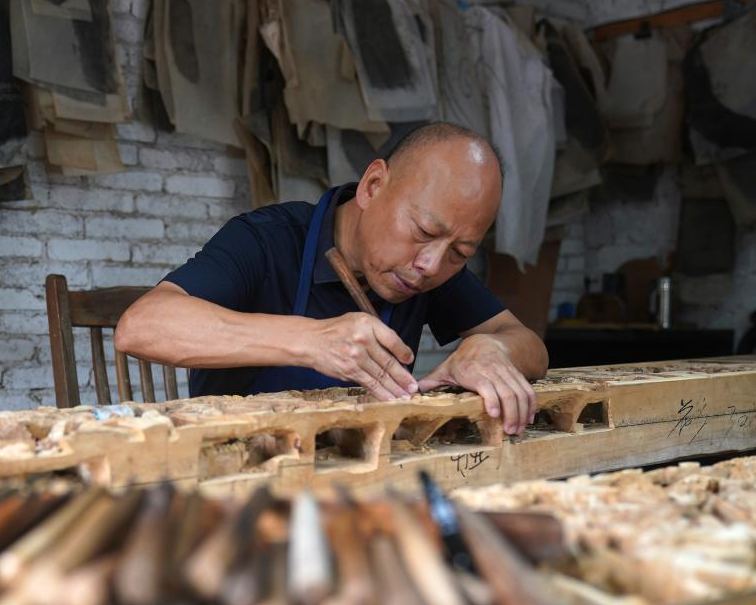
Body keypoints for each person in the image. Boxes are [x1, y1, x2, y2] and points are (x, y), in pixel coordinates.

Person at [115, 122, 548, 436]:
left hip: (358, 482)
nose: (431, 265)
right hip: (242, 485)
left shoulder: (429, 269)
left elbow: (530, 345)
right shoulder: (268, 240)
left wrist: (491, 348)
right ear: (374, 186)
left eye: (460, 252)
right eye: (423, 233)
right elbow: (142, 326)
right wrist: (310, 340)